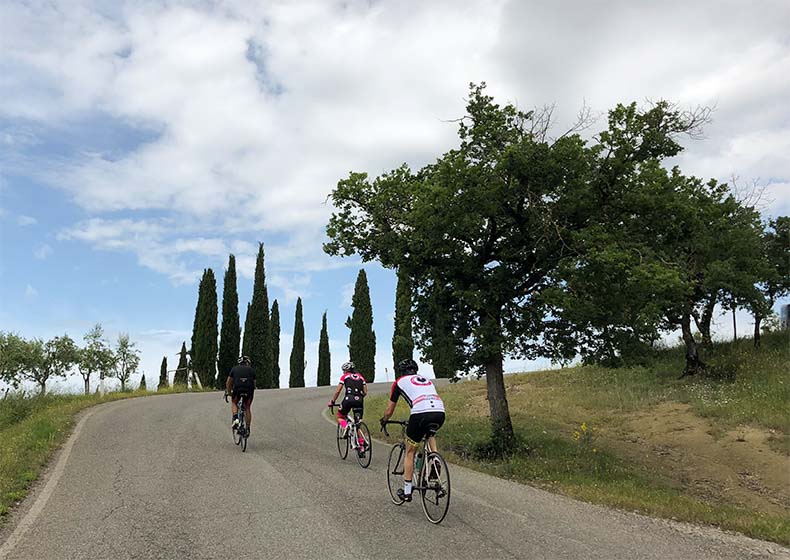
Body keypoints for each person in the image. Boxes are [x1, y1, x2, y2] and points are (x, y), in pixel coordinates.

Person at [380, 358, 445, 502]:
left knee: (410, 452)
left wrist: (384, 420)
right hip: (439, 412)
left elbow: (390, 409)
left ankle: (407, 492)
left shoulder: (399, 382)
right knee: (429, 434)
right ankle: (434, 458)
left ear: (402, 372)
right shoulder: (426, 380)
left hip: (420, 413)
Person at [328, 361, 368, 454]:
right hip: (360, 400)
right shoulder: (361, 377)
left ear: (346, 370)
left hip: (348, 399)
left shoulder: (345, 377)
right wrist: (358, 398)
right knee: (358, 424)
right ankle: (362, 445)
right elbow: (365, 391)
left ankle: (345, 426)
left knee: (340, 416)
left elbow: (338, 391)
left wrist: (332, 401)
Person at [225, 356, 256, 433]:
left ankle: (236, 419)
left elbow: (228, 382)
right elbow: (254, 384)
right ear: (248, 363)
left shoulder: (234, 369)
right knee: (247, 408)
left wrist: (229, 393)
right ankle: (247, 428)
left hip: (237, 390)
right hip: (248, 391)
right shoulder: (251, 370)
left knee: (234, 402)